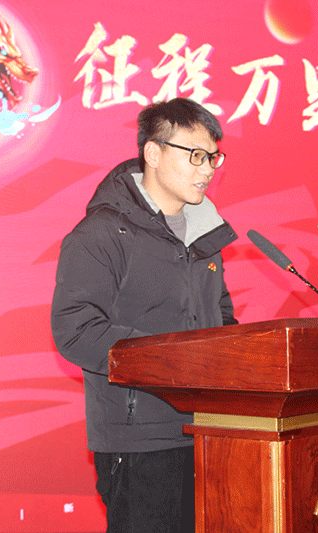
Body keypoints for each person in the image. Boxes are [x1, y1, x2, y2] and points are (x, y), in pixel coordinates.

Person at [51, 97, 238, 533]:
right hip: (140, 438)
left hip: (210, 430)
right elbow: (75, 328)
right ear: (153, 153)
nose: (208, 169)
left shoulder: (205, 236)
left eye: (213, 157)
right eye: (195, 156)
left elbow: (222, 319)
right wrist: (168, 361)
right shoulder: (102, 233)